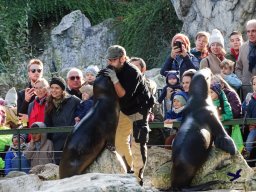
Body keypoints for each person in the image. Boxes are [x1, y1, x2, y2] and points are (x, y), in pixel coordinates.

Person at [103, 45, 154, 185]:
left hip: (139, 108)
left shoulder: (133, 72)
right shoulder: (112, 67)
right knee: (119, 140)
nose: (111, 63)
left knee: (138, 142)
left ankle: (139, 178)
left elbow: (123, 94)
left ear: (123, 58)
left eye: (114, 60)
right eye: (109, 60)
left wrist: (114, 79)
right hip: (125, 109)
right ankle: (129, 169)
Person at [44, 76, 80, 165]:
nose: (54, 90)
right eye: (52, 87)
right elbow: (48, 124)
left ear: (62, 89)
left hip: (72, 141)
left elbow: (83, 112)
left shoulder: (73, 100)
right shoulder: (49, 103)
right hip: (57, 143)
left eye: (57, 88)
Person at [236, 19, 256, 100]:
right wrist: (242, 81)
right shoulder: (243, 47)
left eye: (253, 31)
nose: (250, 34)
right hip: (246, 88)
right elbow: (238, 67)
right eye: (248, 31)